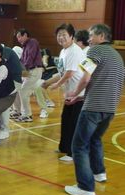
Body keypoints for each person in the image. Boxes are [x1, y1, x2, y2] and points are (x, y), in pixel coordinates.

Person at [64, 24, 125, 195]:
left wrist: (74, 93)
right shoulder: (117, 56)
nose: (88, 39)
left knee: (79, 145)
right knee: (95, 140)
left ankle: (85, 187)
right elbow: (107, 84)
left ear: (101, 36)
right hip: (110, 109)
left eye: (91, 35)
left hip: (93, 108)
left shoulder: (94, 51)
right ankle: (99, 173)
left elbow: (86, 77)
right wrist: (79, 98)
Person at [43, 23, 86, 162]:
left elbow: (69, 73)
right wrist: (49, 82)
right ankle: (64, 147)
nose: (61, 37)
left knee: (74, 123)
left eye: (64, 35)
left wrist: (57, 85)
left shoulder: (74, 50)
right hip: (70, 94)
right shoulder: (63, 51)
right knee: (66, 120)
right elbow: (61, 72)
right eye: (59, 35)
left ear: (72, 36)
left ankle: (73, 153)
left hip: (79, 94)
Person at [16, 28, 48, 122]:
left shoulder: (32, 42)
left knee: (23, 91)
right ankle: (42, 109)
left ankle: (27, 115)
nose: (18, 39)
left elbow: (30, 57)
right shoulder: (25, 46)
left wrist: (22, 70)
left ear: (25, 35)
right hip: (29, 72)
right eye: (17, 37)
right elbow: (21, 60)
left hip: (34, 71)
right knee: (34, 89)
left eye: (19, 36)